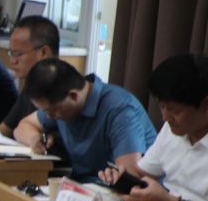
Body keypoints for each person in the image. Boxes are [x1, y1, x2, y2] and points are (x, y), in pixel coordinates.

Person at [115, 53, 208, 201]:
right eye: (162, 107)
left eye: (174, 111)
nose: (165, 117)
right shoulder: (175, 126)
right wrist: (122, 178)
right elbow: (142, 173)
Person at [22, 58, 156, 182]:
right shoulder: (61, 104)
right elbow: (24, 126)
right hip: (80, 186)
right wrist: (34, 138)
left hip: (114, 191)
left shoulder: (120, 111)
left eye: (51, 111)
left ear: (74, 96)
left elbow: (129, 177)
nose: (49, 116)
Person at [0, 16, 62, 156]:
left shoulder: (63, 92)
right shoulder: (31, 85)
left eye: (17, 54)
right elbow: (3, 130)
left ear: (44, 53)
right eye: (11, 53)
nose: (12, 61)